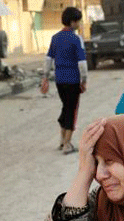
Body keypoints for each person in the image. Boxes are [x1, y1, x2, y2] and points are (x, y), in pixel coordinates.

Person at [41, 7, 88, 154]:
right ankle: (67, 144)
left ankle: (62, 141)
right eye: (78, 21)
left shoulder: (55, 38)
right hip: (73, 80)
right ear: (73, 22)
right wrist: (84, 79)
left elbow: (48, 59)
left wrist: (45, 77)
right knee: (72, 110)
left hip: (60, 80)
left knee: (65, 107)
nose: (79, 24)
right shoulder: (76, 39)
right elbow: (82, 63)